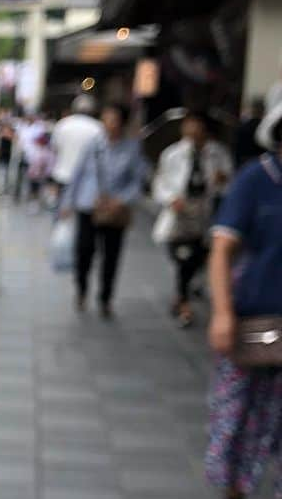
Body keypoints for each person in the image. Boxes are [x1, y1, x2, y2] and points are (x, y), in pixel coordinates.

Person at [206, 97, 282, 499]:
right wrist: (222, 312)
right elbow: (221, 250)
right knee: (240, 413)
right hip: (257, 318)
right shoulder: (256, 181)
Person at [61, 102, 146, 318]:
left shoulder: (131, 148)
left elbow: (138, 180)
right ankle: (81, 289)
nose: (109, 123)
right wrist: (67, 203)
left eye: (113, 119)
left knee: (111, 256)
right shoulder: (93, 144)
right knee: (84, 250)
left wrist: (123, 199)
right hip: (89, 204)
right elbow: (78, 173)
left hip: (115, 210)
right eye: (106, 118)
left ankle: (105, 297)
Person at [152, 112, 232, 328]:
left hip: (203, 213)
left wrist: (222, 179)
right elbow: (160, 183)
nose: (192, 130)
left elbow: (228, 184)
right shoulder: (173, 154)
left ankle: (182, 299)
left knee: (194, 256)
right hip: (179, 213)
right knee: (180, 256)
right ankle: (182, 298)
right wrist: (171, 199)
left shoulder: (218, 153)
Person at [52, 94, 102, 200]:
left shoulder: (63, 124)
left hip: (63, 175)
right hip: (86, 180)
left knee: (61, 210)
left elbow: (55, 149)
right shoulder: (98, 127)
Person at [233, 97, 265, 169]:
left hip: (243, 164)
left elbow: (236, 150)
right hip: (259, 164)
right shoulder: (263, 129)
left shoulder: (242, 128)